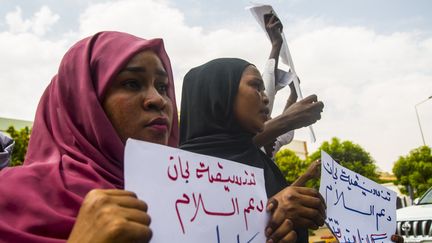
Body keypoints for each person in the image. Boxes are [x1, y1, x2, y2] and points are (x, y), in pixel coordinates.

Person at [0, 31, 178, 242]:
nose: (159, 100)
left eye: (162, 86)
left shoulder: (190, 199)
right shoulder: (10, 194)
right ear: (82, 105)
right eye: (132, 83)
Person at [179, 58, 326, 243]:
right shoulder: (181, 172)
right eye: (256, 86)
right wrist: (268, 218)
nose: (265, 97)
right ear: (222, 93)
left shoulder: (256, 159)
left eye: (264, 88)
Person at [256, 12, 323, 156]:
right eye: (269, 122)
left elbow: (285, 131)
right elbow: (268, 92)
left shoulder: (268, 152)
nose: (273, 122)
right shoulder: (238, 145)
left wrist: (293, 94)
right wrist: (276, 45)